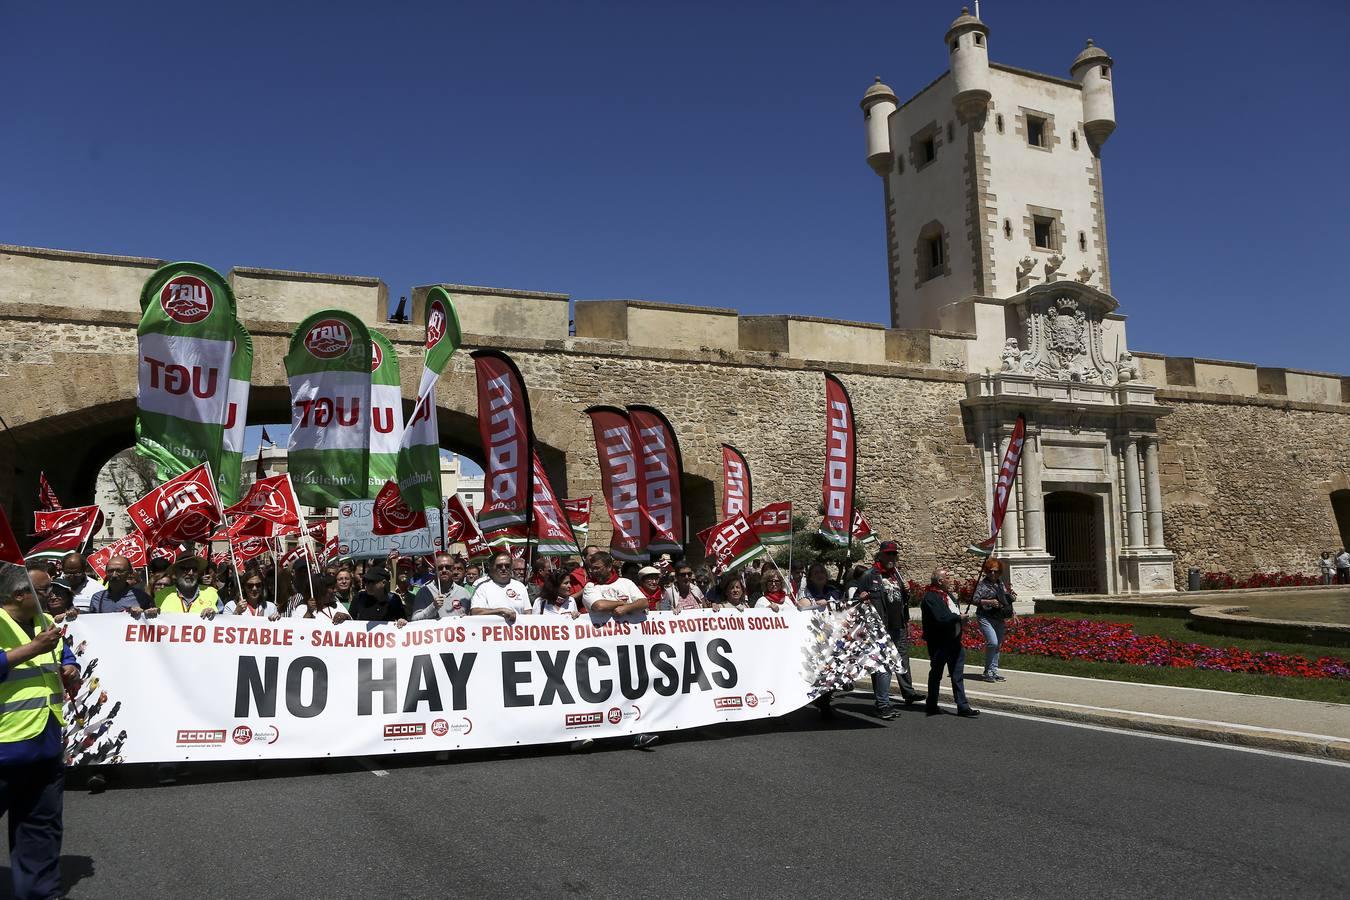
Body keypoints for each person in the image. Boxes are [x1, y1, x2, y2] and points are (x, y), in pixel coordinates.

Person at [0, 563, 81, 900]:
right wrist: (32, 649)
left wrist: (71, 667)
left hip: (45, 747)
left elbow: (65, 655)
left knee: (41, 832)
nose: (52, 595)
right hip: (5, 749)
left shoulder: (46, 624)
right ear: (21, 595)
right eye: (45, 590)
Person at [852, 540, 926, 717]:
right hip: (880, 628)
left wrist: (906, 590)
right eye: (889, 554)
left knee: (902, 660)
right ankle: (883, 704)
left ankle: (908, 692)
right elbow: (855, 600)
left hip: (898, 625)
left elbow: (900, 600)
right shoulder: (869, 575)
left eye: (894, 554)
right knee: (883, 665)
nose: (892, 557)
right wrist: (860, 598)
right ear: (881, 555)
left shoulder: (896, 575)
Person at [920, 568, 979, 718]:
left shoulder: (949, 596)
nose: (950, 580)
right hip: (939, 643)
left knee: (957, 674)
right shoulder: (931, 598)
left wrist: (961, 620)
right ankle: (932, 703)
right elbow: (941, 618)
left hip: (954, 641)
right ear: (940, 581)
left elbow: (952, 615)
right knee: (936, 673)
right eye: (947, 578)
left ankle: (962, 706)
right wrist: (958, 617)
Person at [972, 559, 1016, 683]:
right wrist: (989, 602)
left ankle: (993, 671)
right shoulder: (982, 585)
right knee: (992, 642)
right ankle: (987, 671)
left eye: (995, 572)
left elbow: (1006, 599)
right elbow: (975, 600)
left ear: (999, 572)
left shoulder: (1000, 583)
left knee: (998, 645)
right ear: (986, 571)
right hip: (985, 616)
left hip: (999, 617)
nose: (992, 574)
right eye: (990, 571)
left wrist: (1013, 612)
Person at [581, 553, 648, 622]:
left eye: (597, 568)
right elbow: (599, 606)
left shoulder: (626, 582)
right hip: (603, 631)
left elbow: (644, 602)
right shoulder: (590, 586)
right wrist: (623, 603)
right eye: (592, 568)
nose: (594, 571)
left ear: (609, 567)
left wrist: (627, 608)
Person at [470, 552, 533, 621]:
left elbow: (528, 612)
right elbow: (475, 612)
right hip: (492, 630)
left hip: (516, 630)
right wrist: (500, 611)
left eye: (507, 566)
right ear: (491, 567)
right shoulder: (482, 587)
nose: (503, 568)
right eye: (499, 566)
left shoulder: (520, 586)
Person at [157, 553, 220, 619]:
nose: (190, 573)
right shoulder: (161, 595)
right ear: (176, 572)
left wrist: (216, 615)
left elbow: (225, 621)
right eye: (185, 569)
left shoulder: (211, 593)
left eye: (194, 569)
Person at [410, 553, 471, 621]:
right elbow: (415, 619)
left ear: (453, 569)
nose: (444, 570)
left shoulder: (464, 593)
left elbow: (472, 619)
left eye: (447, 567)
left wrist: (467, 619)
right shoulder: (424, 592)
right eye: (440, 568)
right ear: (435, 570)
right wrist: (433, 607)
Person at [88, 555, 156, 616]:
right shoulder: (97, 598)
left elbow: (152, 622)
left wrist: (144, 614)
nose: (114, 575)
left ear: (129, 573)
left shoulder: (142, 597)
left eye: (119, 571)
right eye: (110, 571)